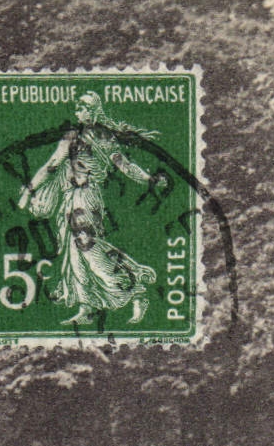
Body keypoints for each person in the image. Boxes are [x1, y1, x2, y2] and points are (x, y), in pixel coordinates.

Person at [16, 92, 167, 326]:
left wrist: (149, 179)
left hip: (87, 197)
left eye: (84, 106)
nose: (78, 110)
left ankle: (135, 290)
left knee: (88, 247)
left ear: (95, 110)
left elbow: (124, 166)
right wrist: (29, 190)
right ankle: (86, 307)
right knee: (73, 253)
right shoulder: (70, 136)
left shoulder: (103, 136)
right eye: (77, 106)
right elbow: (52, 164)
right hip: (69, 198)